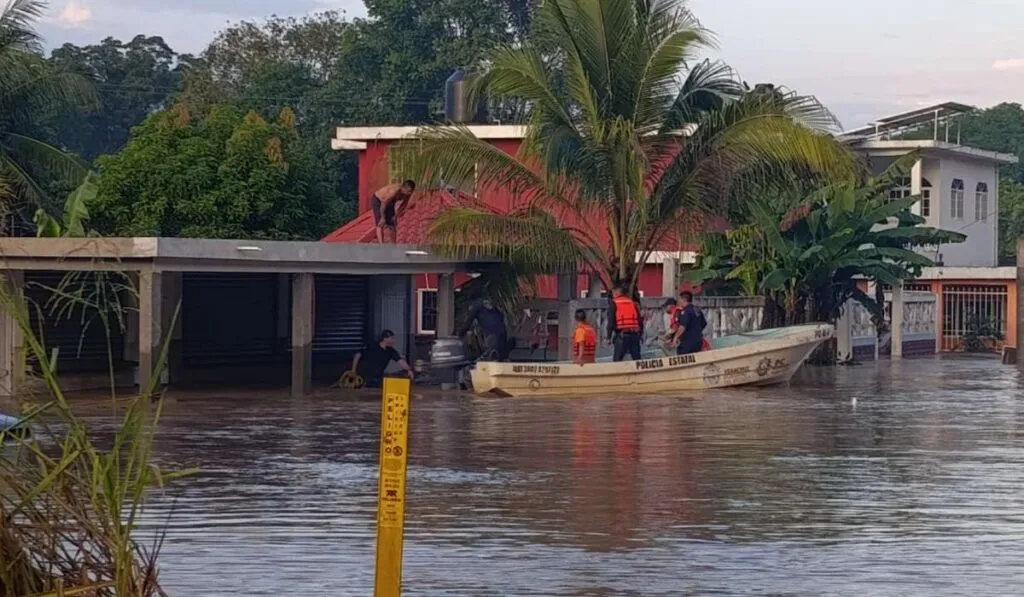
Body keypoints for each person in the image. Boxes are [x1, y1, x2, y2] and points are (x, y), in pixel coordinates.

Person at [350, 330, 415, 388]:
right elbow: (357, 355)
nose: (394, 341)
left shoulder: (390, 351)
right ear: (385, 339)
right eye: (392, 338)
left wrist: (409, 370)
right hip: (364, 377)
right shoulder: (372, 346)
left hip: (378, 379)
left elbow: (401, 361)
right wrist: (353, 370)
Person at [607, 286, 642, 362]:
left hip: (622, 336)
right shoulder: (632, 303)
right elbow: (639, 320)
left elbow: (611, 322)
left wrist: (608, 337)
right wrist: (640, 335)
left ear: (616, 293)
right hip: (634, 335)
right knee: (637, 360)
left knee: (618, 361)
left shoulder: (614, 303)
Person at [671, 291, 707, 355]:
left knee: (682, 360)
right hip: (698, 342)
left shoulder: (685, 311)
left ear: (684, 299)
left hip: (688, 343)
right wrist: (696, 331)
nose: (679, 301)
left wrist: (675, 338)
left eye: (680, 299)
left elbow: (682, 327)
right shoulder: (697, 310)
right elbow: (703, 323)